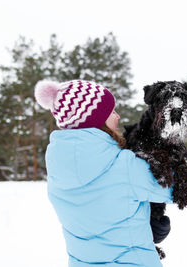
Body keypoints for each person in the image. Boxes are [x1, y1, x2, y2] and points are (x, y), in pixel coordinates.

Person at [35, 79, 176, 267]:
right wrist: (167, 145)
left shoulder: (56, 173)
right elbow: (186, 187)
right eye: (111, 112)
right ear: (96, 120)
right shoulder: (125, 165)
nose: (117, 117)